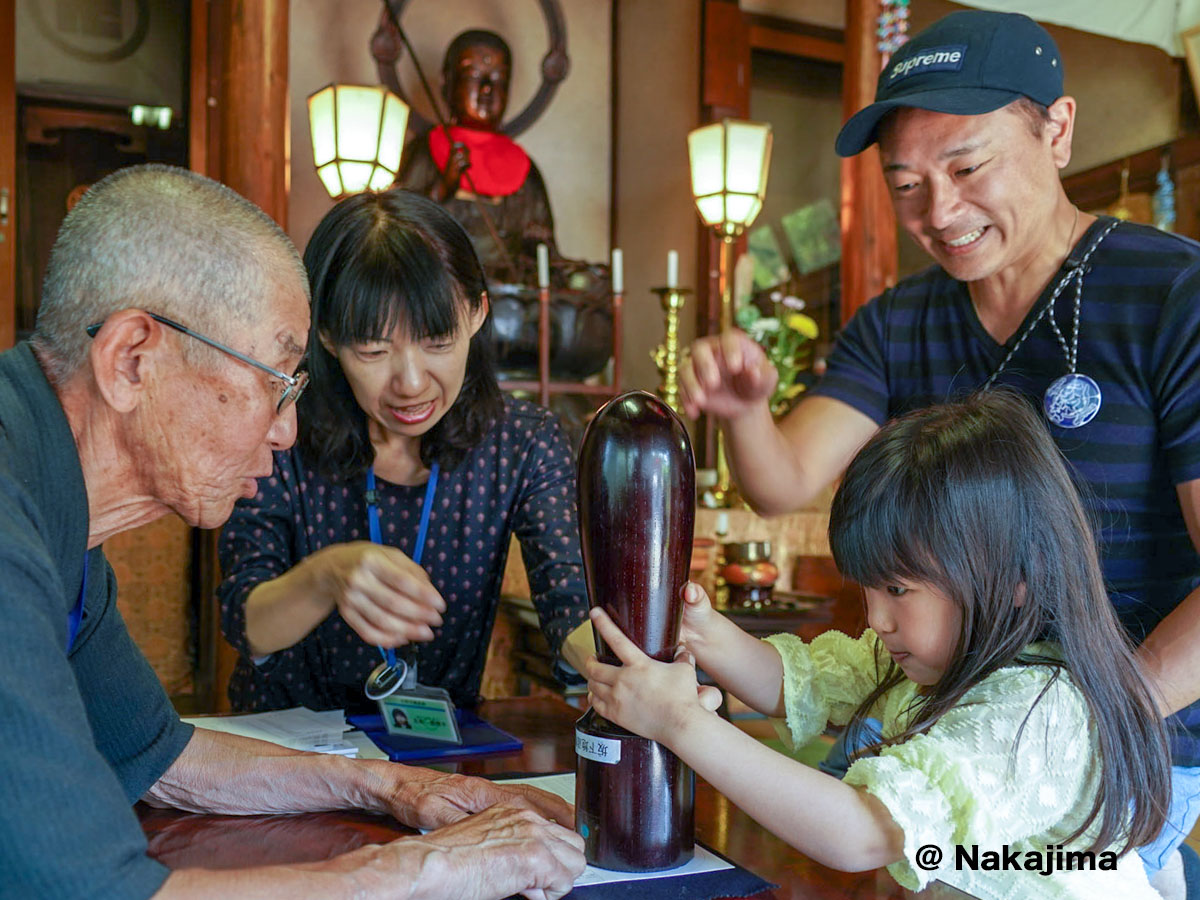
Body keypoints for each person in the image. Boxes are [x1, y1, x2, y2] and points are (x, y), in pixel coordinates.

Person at [679, 10, 1200, 893]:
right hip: (959, 719)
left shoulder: (1173, 295)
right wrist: (745, 415)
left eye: (967, 167)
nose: (940, 210)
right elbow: (784, 481)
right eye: (908, 183)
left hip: (1127, 752)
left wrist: (1075, 726)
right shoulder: (901, 321)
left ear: (1058, 130)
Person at [1, 163, 584, 899]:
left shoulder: (60, 518)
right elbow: (95, 891)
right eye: (277, 381)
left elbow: (162, 755)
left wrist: (392, 790)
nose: (286, 432)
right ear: (132, 360)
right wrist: (429, 867)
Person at [587, 391, 1171, 898]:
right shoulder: (931, 660)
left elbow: (862, 831)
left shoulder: (1035, 713)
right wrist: (703, 632)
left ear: (1017, 576)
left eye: (897, 588)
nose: (877, 619)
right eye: (869, 589)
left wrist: (682, 723)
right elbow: (796, 682)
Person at [217, 187, 592, 715]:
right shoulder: (281, 435)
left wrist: (623, 662)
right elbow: (246, 622)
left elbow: (569, 607)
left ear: (476, 313)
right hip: (288, 759)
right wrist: (326, 576)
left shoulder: (522, 442)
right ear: (326, 335)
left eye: (438, 342)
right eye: (373, 350)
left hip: (435, 762)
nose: (412, 383)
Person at [397, 29, 556, 284]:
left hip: (507, 297)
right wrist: (440, 189)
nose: (486, 89)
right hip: (437, 285)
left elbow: (544, 252)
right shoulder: (424, 151)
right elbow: (393, 229)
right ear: (447, 84)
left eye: (498, 80)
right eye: (473, 77)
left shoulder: (524, 169)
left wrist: (537, 247)